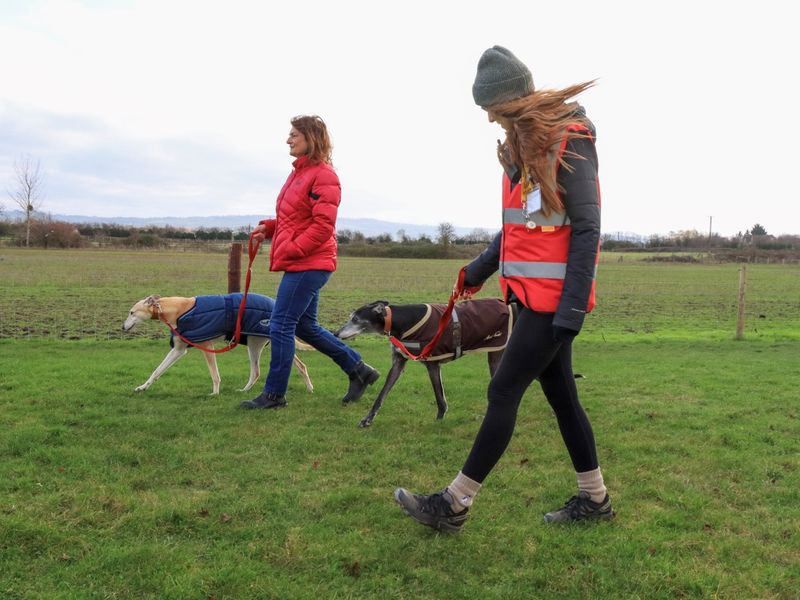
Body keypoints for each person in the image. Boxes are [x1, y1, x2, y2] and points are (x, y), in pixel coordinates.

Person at [394, 46, 612, 530]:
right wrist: (479, 268)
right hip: (530, 296)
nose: (489, 118)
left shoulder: (570, 141)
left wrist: (573, 307)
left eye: (491, 107)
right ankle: (595, 499)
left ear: (511, 99)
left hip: (554, 302)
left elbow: (587, 228)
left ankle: (454, 504)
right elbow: (522, 225)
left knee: (503, 389)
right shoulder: (526, 146)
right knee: (563, 398)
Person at [241, 115, 379, 410]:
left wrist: (293, 248)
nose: (288, 140)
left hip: (309, 264)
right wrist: (271, 228)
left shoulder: (324, 175)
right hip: (304, 262)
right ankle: (359, 370)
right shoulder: (299, 173)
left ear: (311, 138)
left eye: (294, 134)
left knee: (280, 324)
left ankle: (274, 395)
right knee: (305, 326)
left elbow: (323, 225)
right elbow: (296, 217)